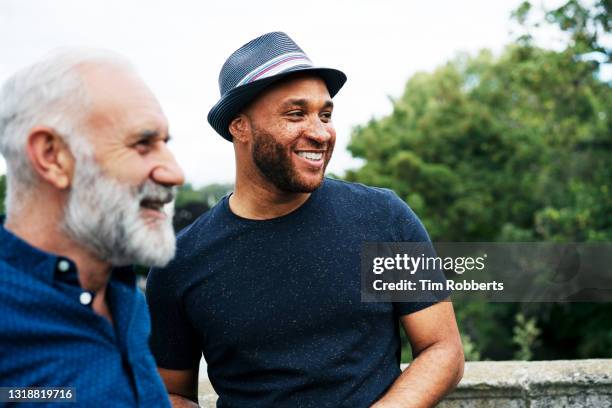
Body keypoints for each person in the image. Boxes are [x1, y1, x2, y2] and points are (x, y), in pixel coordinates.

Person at [147, 32, 464, 408]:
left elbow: (442, 349)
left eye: (325, 114)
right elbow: (173, 391)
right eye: (296, 114)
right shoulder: (180, 261)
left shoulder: (383, 218)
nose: (320, 132)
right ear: (239, 126)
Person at [0, 49, 184, 407]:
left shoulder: (125, 297)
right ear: (52, 156)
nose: (174, 172)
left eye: (166, 144)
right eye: (143, 144)